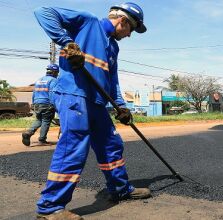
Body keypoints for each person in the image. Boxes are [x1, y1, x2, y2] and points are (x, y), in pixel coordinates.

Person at [33, 2, 150, 219]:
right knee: (73, 148)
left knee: (112, 145)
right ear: (123, 21)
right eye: (131, 29)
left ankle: (119, 189)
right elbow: (42, 12)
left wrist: (121, 106)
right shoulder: (88, 22)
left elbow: (112, 80)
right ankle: (50, 207)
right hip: (74, 95)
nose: (129, 35)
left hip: (97, 103)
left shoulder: (113, 47)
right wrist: (67, 43)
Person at [22, 64, 58, 147]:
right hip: (47, 103)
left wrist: (33, 103)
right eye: (57, 73)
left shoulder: (39, 80)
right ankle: (42, 140)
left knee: (39, 120)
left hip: (37, 103)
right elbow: (52, 93)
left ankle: (28, 132)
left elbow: (34, 93)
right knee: (46, 121)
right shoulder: (53, 80)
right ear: (55, 72)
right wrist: (54, 104)